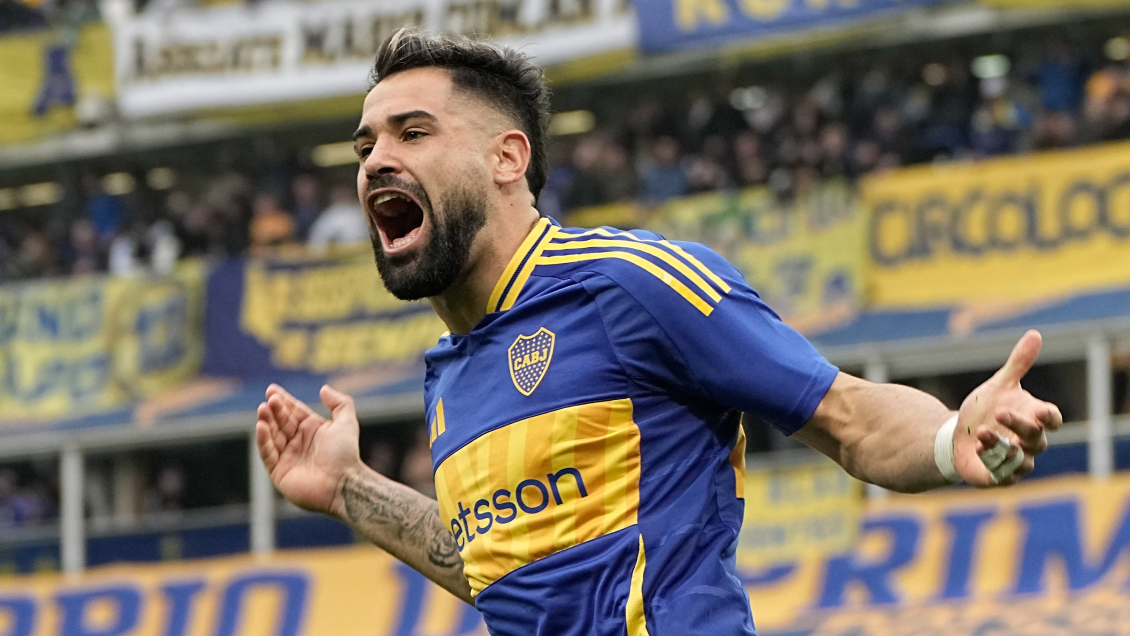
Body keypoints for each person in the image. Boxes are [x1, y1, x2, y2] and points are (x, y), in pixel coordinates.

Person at [255, 29, 1063, 636]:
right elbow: (508, 574)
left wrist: (951, 435)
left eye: (412, 132)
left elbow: (847, 417)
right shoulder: (450, 374)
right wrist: (350, 490)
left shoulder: (629, 282)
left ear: (507, 158)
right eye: (365, 144)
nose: (374, 160)